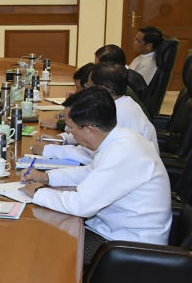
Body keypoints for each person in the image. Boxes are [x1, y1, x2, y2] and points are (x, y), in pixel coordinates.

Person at [20, 87, 171, 264]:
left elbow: (81, 205)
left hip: (128, 247)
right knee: (45, 235)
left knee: (47, 251)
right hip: (112, 231)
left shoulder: (123, 152)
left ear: (90, 129)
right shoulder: (121, 138)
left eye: (71, 128)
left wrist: (39, 192)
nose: (70, 133)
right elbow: (90, 171)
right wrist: (47, 178)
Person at [36, 62, 159, 163]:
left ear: (102, 89)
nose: (85, 91)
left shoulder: (118, 113)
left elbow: (91, 156)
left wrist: (49, 150)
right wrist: (61, 139)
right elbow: (89, 134)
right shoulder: (121, 103)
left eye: (89, 87)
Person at [95, 44, 150, 117]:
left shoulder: (125, 81)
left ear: (111, 66)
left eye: (98, 66)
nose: (96, 69)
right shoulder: (126, 74)